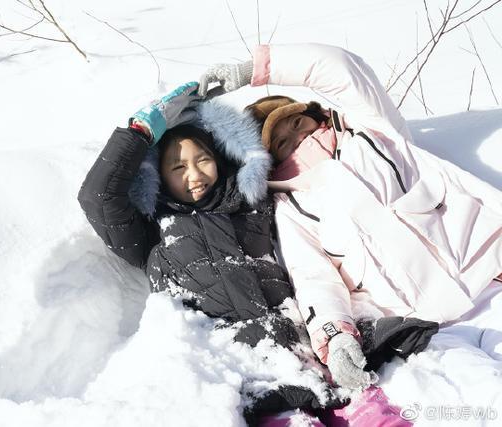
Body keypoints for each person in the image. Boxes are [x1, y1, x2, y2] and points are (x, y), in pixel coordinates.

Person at [78, 80, 436, 426]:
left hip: (312, 353)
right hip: (253, 377)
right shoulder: (153, 231)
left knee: (378, 418)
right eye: (177, 167)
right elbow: (98, 197)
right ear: (157, 177)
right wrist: (141, 131)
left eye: (203, 159)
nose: (194, 174)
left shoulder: (253, 203)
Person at [198, 42, 502, 391]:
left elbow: (343, 70)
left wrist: (254, 69)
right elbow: (315, 279)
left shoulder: (374, 133)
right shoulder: (293, 207)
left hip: (490, 276)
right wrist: (336, 337)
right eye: (281, 142)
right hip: (429, 328)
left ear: (315, 115)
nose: (299, 136)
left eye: (297, 122)